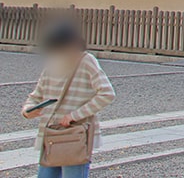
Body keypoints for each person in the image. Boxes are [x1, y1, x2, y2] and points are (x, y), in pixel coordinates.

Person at [22, 20, 115, 178]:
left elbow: (107, 93)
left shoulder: (86, 61)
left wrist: (74, 115)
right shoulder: (52, 63)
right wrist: (28, 110)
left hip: (75, 134)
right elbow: (36, 96)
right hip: (51, 135)